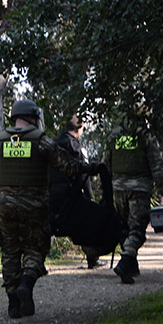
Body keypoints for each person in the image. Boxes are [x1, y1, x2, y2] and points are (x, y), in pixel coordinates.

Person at [0, 99, 101, 318]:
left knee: (10, 251)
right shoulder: (41, 141)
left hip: (6, 206)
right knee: (36, 247)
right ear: (32, 117)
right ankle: (27, 284)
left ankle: (13, 304)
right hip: (35, 205)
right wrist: (92, 168)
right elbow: (68, 166)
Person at [104, 125, 163, 284]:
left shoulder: (114, 134)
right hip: (139, 188)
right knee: (137, 228)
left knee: (123, 226)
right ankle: (126, 261)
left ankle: (131, 266)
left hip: (118, 187)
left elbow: (105, 162)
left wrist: (104, 190)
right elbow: (157, 165)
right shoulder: (145, 134)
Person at [49, 114, 105, 269]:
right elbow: (84, 173)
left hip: (52, 194)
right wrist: (89, 196)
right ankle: (92, 259)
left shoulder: (52, 144)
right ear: (79, 129)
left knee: (48, 227)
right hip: (72, 195)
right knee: (87, 225)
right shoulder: (78, 148)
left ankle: (39, 263)